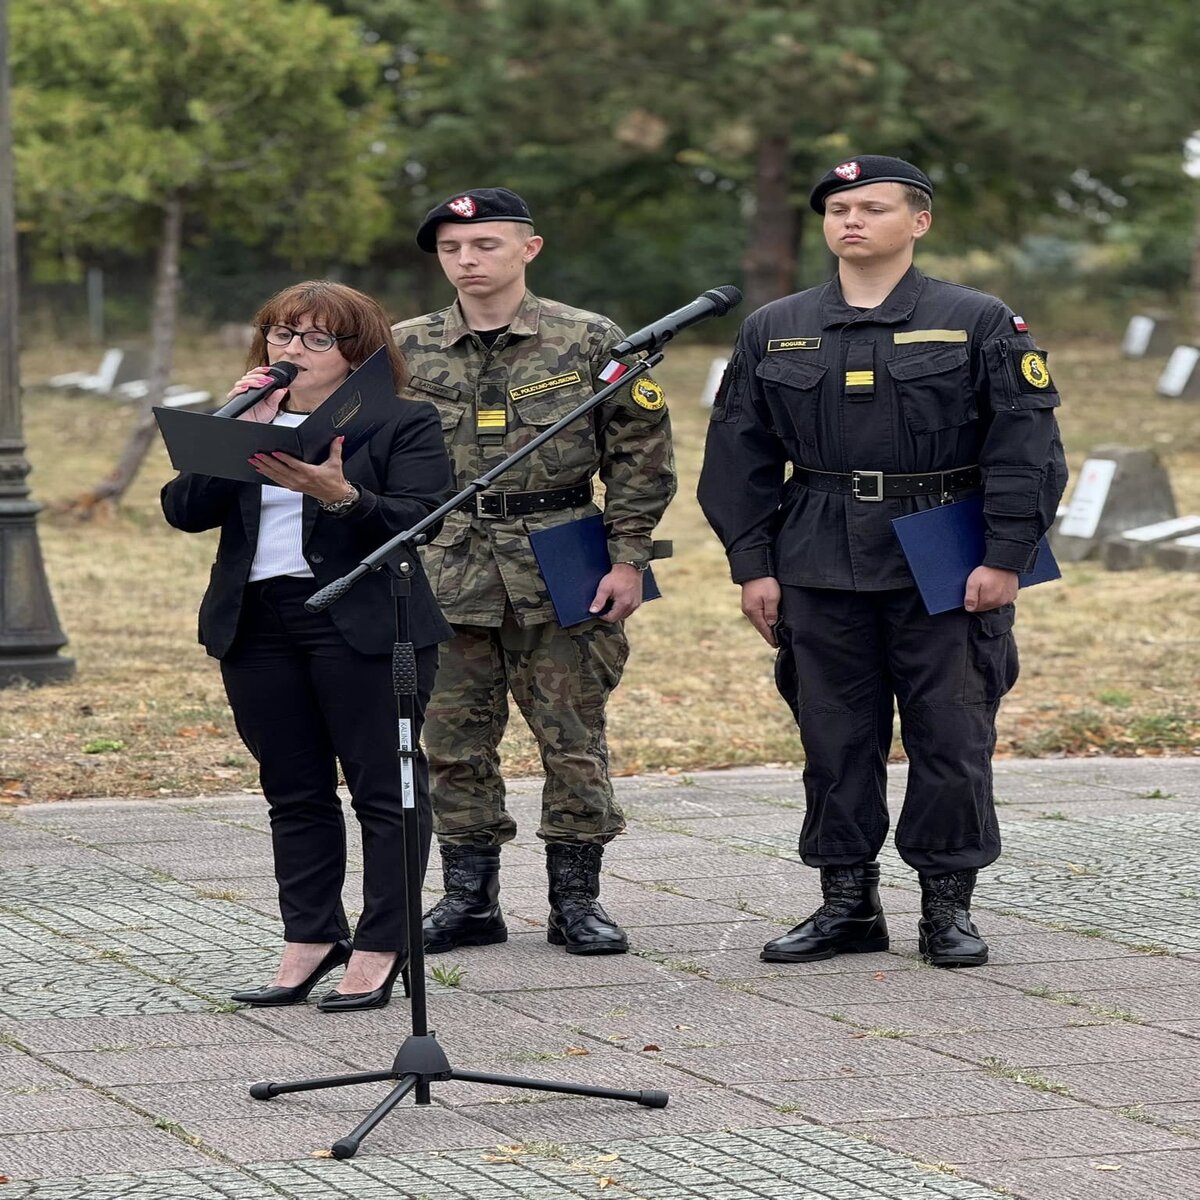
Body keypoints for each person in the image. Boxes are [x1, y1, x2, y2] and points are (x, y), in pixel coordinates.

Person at [698, 156, 1067, 969]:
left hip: (945, 553)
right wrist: (753, 565)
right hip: (817, 554)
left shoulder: (976, 319)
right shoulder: (775, 326)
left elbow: (1027, 447)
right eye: (838, 210)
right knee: (832, 738)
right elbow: (737, 455)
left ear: (919, 221)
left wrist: (1006, 554)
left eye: (871, 207)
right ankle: (847, 905)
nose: (851, 221)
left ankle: (947, 907)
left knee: (951, 736)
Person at [392, 187, 676, 957]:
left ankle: (576, 902)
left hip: (563, 560)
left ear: (529, 248)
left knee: (573, 739)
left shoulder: (589, 340)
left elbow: (640, 458)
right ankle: (468, 900)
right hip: (447, 567)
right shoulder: (406, 347)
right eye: (452, 248)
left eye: (485, 244)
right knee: (451, 742)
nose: (467, 260)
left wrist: (629, 559)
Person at [162, 281, 453, 1011]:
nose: (293, 350)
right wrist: (232, 436)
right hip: (257, 622)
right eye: (281, 334)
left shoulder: (402, 422)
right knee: (293, 791)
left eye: (316, 338)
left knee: (384, 790)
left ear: (357, 354)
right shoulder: (247, 419)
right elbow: (183, 511)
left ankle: (384, 944)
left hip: (363, 621)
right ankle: (312, 938)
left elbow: (423, 521)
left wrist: (340, 495)